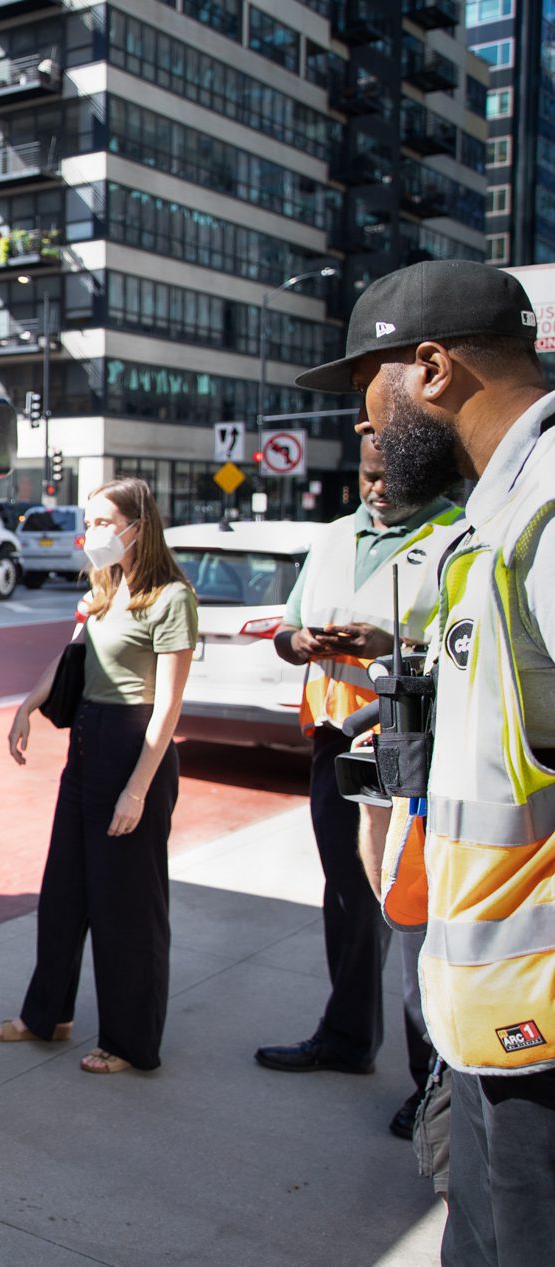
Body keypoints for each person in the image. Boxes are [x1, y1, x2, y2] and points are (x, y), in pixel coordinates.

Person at [296, 258, 554, 1266]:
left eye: (368, 384)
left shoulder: (540, 511)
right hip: (490, 1023)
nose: (362, 421)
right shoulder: (491, 519)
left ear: (432, 369)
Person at [256, 434, 460, 1141]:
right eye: (367, 477)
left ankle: (431, 1077)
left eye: (386, 479)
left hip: (411, 744)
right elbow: (284, 631)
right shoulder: (336, 537)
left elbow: (463, 650)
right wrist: (303, 643)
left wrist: (387, 646)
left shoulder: (454, 535)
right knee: (347, 896)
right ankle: (345, 1036)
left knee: (408, 909)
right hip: (337, 735)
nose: (374, 489)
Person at [0, 478, 196, 1074]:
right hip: (86, 743)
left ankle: (131, 1043)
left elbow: (168, 706)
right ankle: (47, 1017)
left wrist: (136, 789)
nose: (95, 533)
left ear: (139, 525)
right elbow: (71, 659)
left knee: (127, 908)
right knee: (63, 893)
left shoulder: (171, 598)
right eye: (92, 521)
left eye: (106, 521)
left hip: (134, 749)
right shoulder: (104, 587)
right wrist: (27, 705)